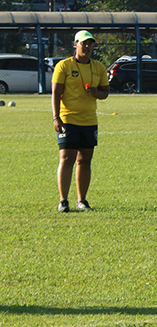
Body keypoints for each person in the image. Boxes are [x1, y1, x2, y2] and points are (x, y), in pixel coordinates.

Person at [51, 30, 110, 213]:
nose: (87, 46)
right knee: (67, 158)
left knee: (84, 160)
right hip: (68, 119)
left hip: (89, 120)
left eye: (90, 43)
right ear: (75, 45)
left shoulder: (99, 68)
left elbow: (105, 93)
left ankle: (82, 200)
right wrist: (56, 117)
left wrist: (95, 93)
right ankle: (63, 201)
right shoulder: (64, 66)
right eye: (83, 43)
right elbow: (56, 93)